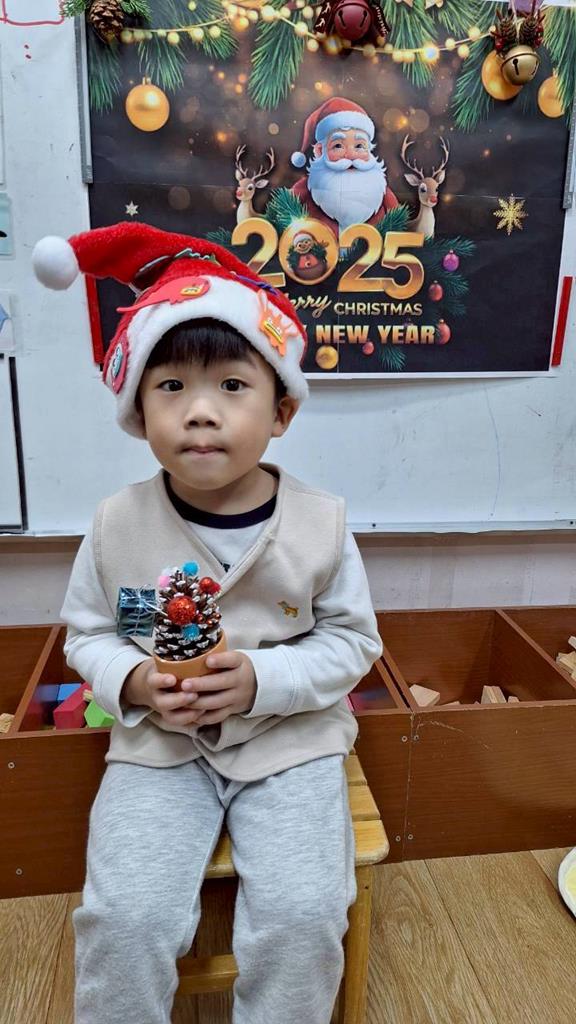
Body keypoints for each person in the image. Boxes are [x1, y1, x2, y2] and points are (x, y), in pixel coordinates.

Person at [32, 220, 383, 1024]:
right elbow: (87, 635)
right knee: (125, 918)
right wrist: (135, 681)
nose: (199, 412)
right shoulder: (115, 524)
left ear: (281, 410)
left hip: (290, 743)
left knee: (302, 916)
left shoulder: (321, 523)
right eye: (170, 387)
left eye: (230, 385)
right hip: (161, 748)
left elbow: (353, 641)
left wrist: (264, 678)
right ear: (136, 408)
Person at [291, 96, 399, 238]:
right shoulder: (306, 188)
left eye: (359, 146)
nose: (351, 155)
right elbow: (283, 210)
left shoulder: (379, 189)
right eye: (338, 146)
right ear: (320, 151)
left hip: (374, 249)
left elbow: (398, 220)